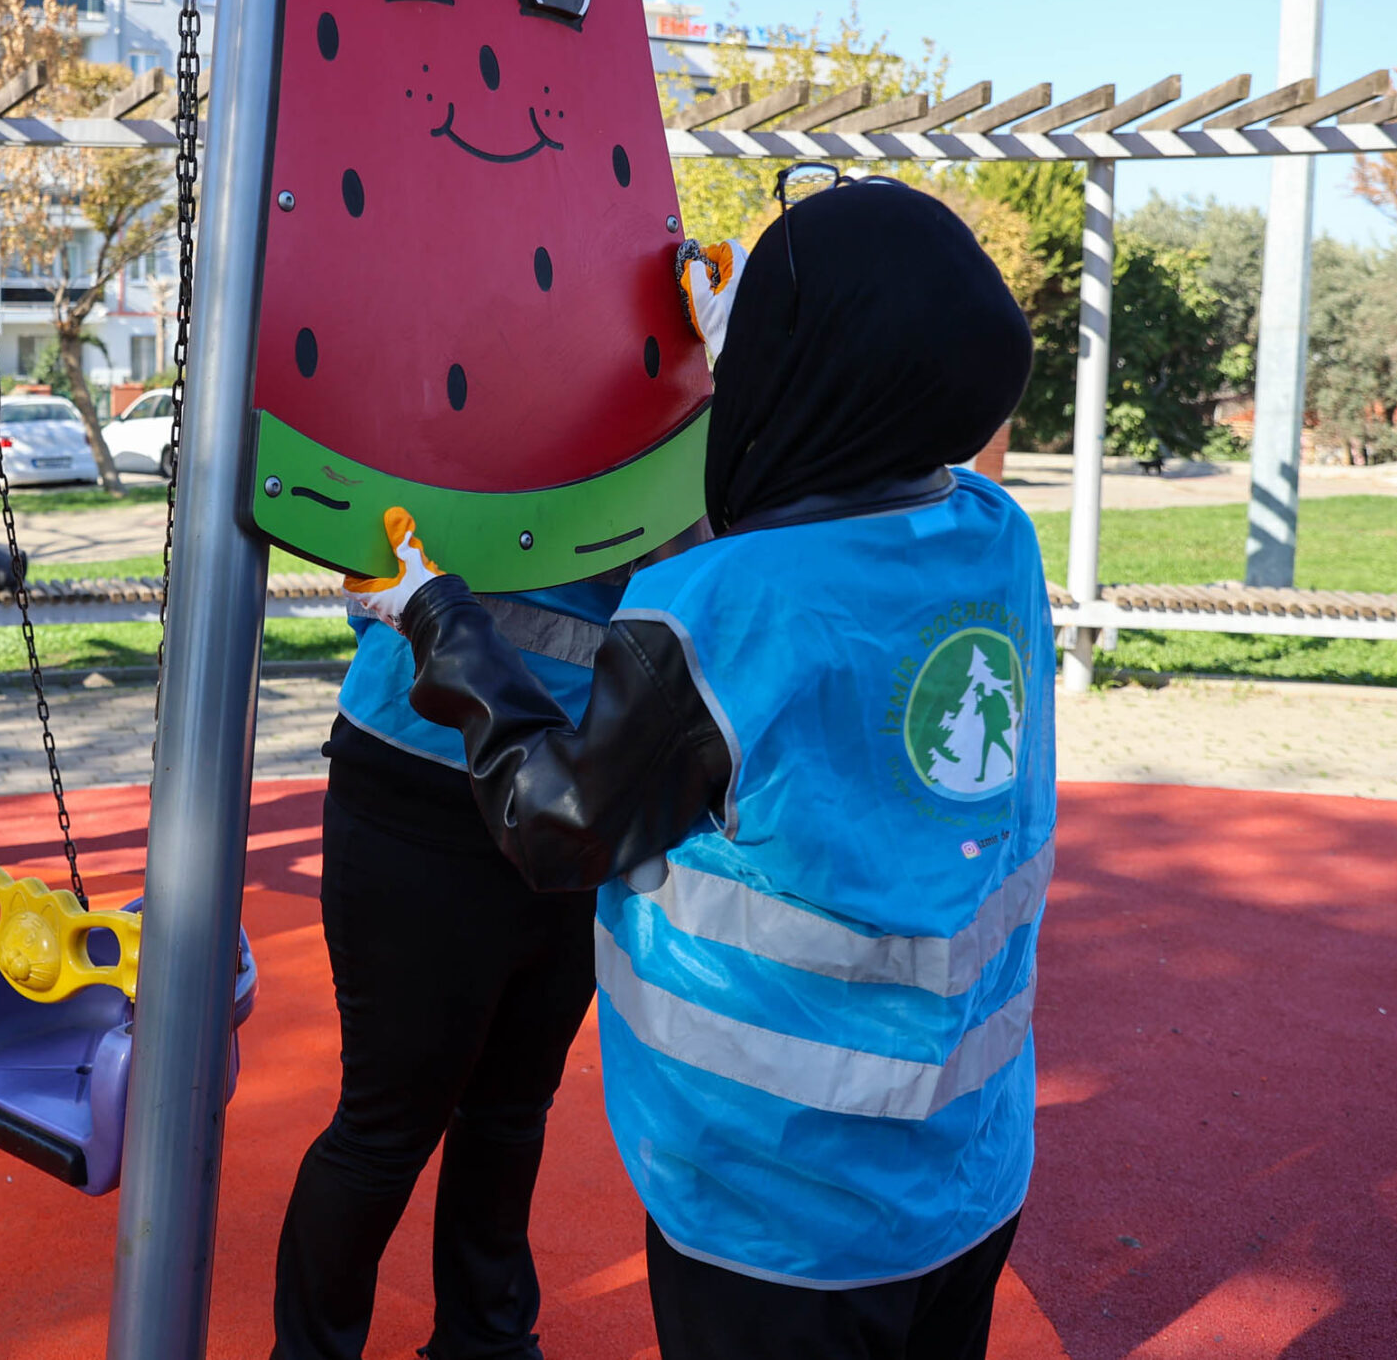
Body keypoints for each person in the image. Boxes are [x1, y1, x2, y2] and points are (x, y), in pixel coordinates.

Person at [348, 178, 1050, 1360]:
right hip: (966, 1167)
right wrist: (747, 357)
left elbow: (554, 824)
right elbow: (858, 461)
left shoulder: (718, 606)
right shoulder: (994, 534)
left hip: (776, 1197)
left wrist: (434, 621)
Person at [271, 438, 706, 1353]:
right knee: (389, 1121)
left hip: (576, 785)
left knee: (511, 1106)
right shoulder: (459, 337)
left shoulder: (681, 385)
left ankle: (487, 1340)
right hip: (422, 776)